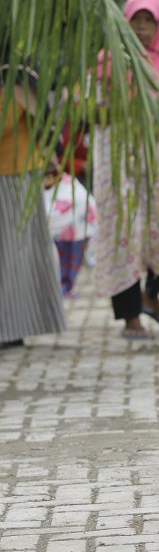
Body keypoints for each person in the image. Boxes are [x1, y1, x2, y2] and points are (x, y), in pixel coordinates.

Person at [93, 0, 159, 339]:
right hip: (119, 162)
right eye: (135, 20)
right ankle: (130, 317)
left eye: (148, 21)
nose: (140, 28)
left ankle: (151, 297)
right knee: (123, 233)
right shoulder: (108, 62)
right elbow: (92, 111)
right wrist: (124, 107)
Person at [0, 62, 65, 347]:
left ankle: (12, 328)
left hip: (16, 178)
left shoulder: (17, 76)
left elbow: (43, 122)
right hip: (15, 175)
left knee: (16, 256)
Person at [43, 157, 97, 297]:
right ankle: (58, 286)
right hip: (53, 235)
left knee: (71, 260)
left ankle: (67, 285)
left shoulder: (68, 183)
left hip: (75, 232)